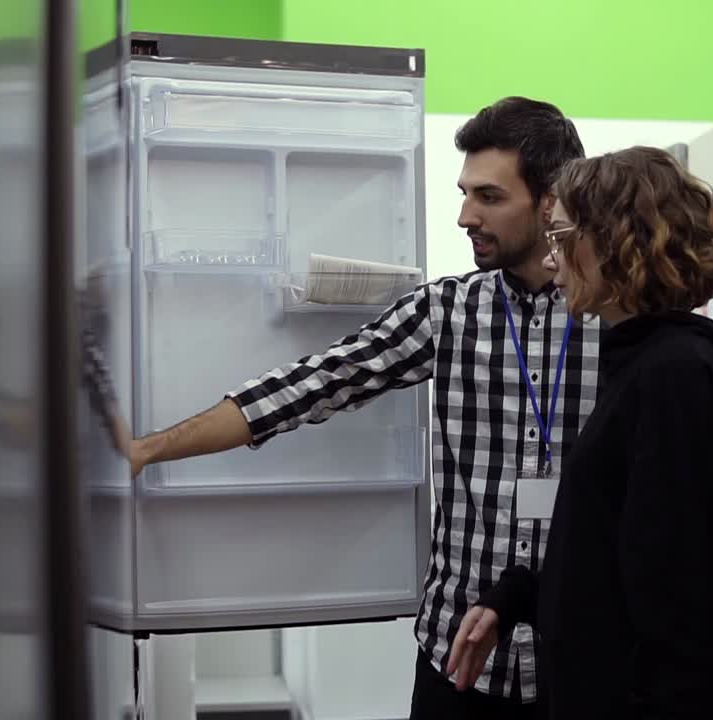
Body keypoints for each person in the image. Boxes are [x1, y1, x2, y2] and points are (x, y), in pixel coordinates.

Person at [128, 96, 597, 719]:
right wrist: (150, 449)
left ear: (550, 200)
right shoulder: (448, 311)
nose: (464, 216)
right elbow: (308, 385)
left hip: (588, 659)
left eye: (489, 197)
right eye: (465, 194)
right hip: (456, 661)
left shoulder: (614, 319)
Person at [447, 146, 713, 719]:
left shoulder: (674, 376)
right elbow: (619, 550)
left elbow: (678, 607)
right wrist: (521, 595)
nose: (551, 264)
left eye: (559, 238)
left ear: (615, 239)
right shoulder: (643, 363)